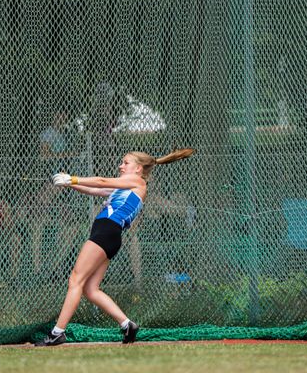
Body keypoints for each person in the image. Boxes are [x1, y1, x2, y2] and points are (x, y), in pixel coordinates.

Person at [34, 148, 194, 346]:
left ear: (138, 168)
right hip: (109, 235)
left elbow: (101, 181)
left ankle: (58, 332)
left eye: (126, 163)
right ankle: (127, 324)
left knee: (76, 279)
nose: (121, 165)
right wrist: (69, 183)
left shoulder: (137, 182)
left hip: (105, 232)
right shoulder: (126, 186)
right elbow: (95, 189)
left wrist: (73, 178)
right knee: (91, 289)